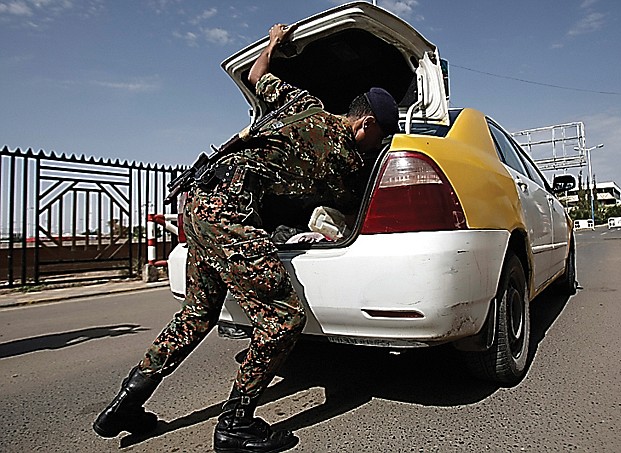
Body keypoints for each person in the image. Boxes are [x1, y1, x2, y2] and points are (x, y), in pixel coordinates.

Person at [93, 23, 399, 453]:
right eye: (378, 137)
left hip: (197, 202)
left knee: (197, 315)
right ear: (365, 123)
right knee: (284, 318)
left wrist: (274, 44)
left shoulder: (303, 102)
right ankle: (235, 424)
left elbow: (255, 77)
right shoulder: (344, 157)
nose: (374, 146)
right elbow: (350, 208)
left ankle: (126, 403)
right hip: (229, 217)